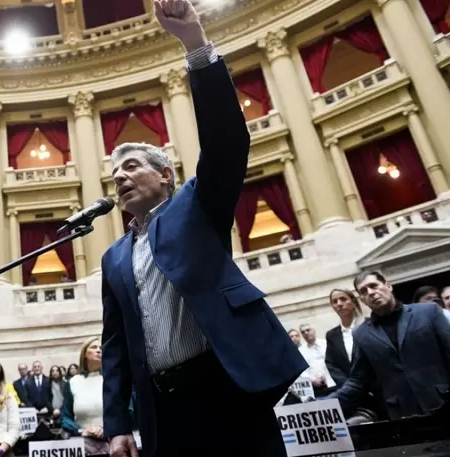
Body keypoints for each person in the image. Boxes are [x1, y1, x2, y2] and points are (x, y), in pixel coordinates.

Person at [100, 1, 307, 456]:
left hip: (226, 388)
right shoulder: (112, 257)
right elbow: (115, 345)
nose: (119, 178)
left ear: (165, 175)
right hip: (163, 409)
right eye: (114, 174)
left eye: (131, 167)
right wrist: (117, 423)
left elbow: (225, 142)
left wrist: (195, 46)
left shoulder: (195, 206)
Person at [331, 271, 450, 419]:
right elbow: (357, 382)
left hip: (443, 403)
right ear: (362, 299)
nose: (371, 292)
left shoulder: (428, 312)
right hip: (402, 415)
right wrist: (325, 406)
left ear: (388, 286)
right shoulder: (361, 334)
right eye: (364, 291)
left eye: (374, 286)